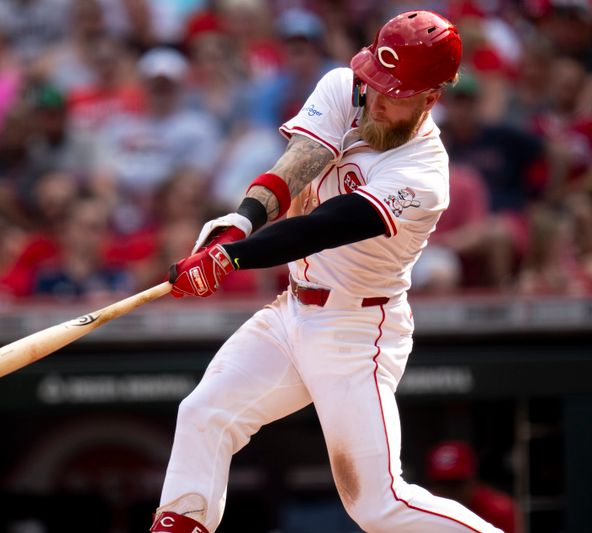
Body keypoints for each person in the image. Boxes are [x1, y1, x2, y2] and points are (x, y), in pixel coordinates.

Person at [151, 11, 504, 533]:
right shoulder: (346, 86)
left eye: (396, 92)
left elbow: (321, 226)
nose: (377, 99)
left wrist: (232, 259)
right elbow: (301, 161)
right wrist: (238, 225)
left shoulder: (423, 175)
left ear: (430, 99)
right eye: (375, 82)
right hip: (292, 309)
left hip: (356, 331)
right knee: (203, 414)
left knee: (378, 505)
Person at [424, 441, 521, 533]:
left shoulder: (498, 510)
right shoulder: (423, 511)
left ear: (473, 480)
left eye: (456, 483)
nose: (450, 491)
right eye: (443, 484)